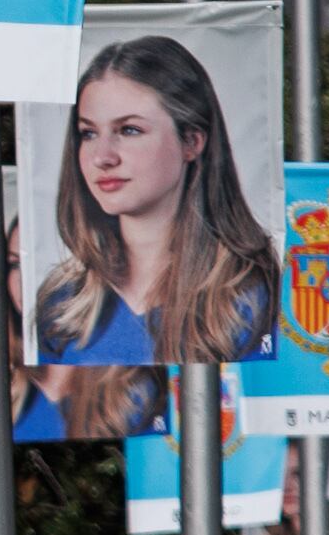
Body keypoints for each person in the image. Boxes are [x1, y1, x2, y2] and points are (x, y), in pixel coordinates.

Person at [26, 35, 274, 442]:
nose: (103, 155)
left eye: (128, 129)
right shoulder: (63, 301)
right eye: (88, 133)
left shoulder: (250, 292)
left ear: (192, 141)